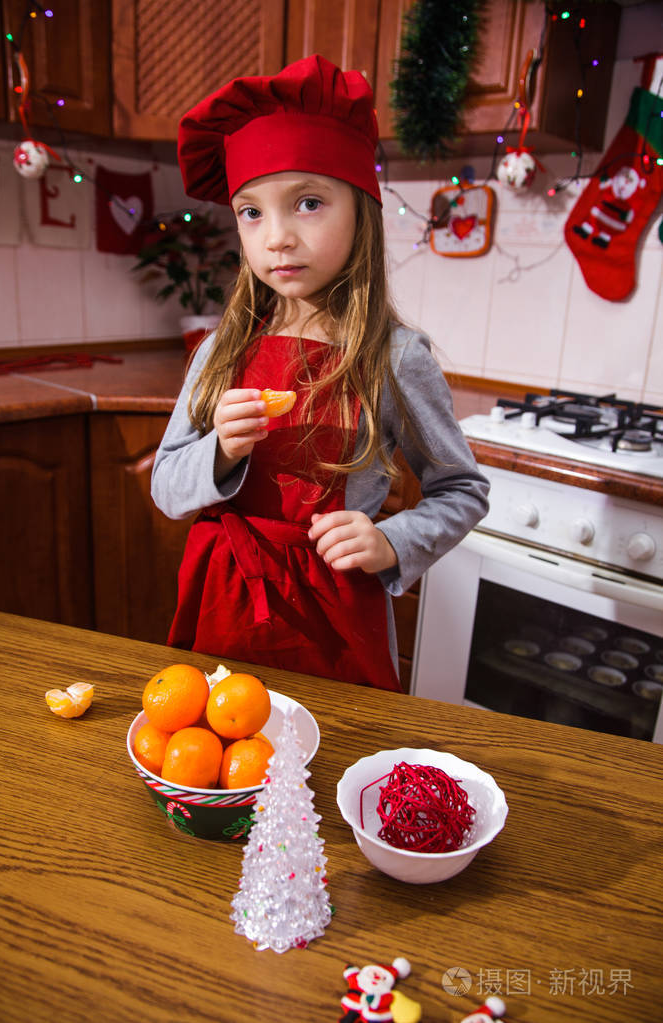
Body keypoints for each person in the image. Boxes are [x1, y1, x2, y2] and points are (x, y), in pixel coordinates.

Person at [151, 54, 489, 692]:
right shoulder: (218, 350)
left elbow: (462, 490)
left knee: (337, 769)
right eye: (252, 212)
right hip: (225, 603)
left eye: (307, 203)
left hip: (338, 619)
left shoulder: (393, 357)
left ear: (362, 210)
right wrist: (220, 450)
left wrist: (392, 540)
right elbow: (167, 487)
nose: (276, 237)